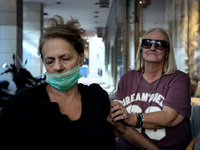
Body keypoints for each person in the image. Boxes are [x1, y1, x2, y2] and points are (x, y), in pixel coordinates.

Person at [0, 15, 116, 149]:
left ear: (81, 59)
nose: (58, 67)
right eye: (50, 61)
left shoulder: (96, 98)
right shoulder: (23, 103)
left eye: (65, 58)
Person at [107, 28, 191, 149]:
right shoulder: (127, 77)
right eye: (147, 43)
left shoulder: (179, 79)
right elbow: (117, 120)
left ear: (167, 53)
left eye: (159, 45)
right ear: (141, 49)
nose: (152, 48)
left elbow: (169, 117)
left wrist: (130, 118)